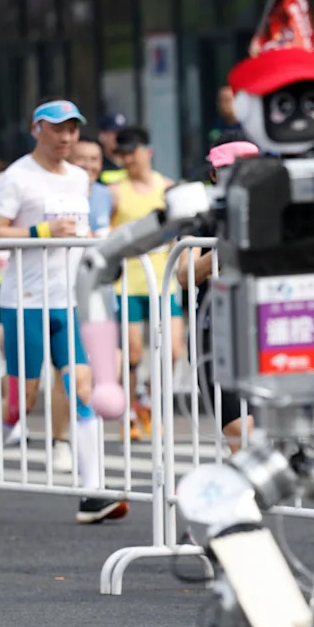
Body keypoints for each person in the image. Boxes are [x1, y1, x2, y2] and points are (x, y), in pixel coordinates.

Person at [0, 99, 126, 524]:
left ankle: (92, 493)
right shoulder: (16, 178)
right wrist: (41, 231)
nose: (66, 137)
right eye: (58, 129)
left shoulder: (78, 178)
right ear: (37, 129)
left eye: (72, 129)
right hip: (25, 301)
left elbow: (79, 232)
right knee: (21, 400)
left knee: (83, 389)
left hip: (69, 299)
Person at [177, 140, 262, 453]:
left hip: (266, 334)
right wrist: (224, 252)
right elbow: (184, 274)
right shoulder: (201, 214)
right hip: (215, 338)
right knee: (243, 436)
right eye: (228, 169)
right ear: (214, 174)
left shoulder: (272, 210)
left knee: (268, 440)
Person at [109, 126, 185, 441]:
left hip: (162, 281)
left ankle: (150, 403)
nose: (128, 159)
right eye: (122, 154)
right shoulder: (115, 192)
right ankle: (128, 412)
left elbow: (180, 230)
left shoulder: (167, 188)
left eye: (132, 152)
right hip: (127, 284)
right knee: (133, 353)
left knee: (174, 350)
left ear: (147, 151)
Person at [97, 112, 129, 183]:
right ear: (102, 135)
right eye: (115, 133)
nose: (120, 137)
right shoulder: (96, 163)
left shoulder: (132, 162)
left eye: (123, 133)